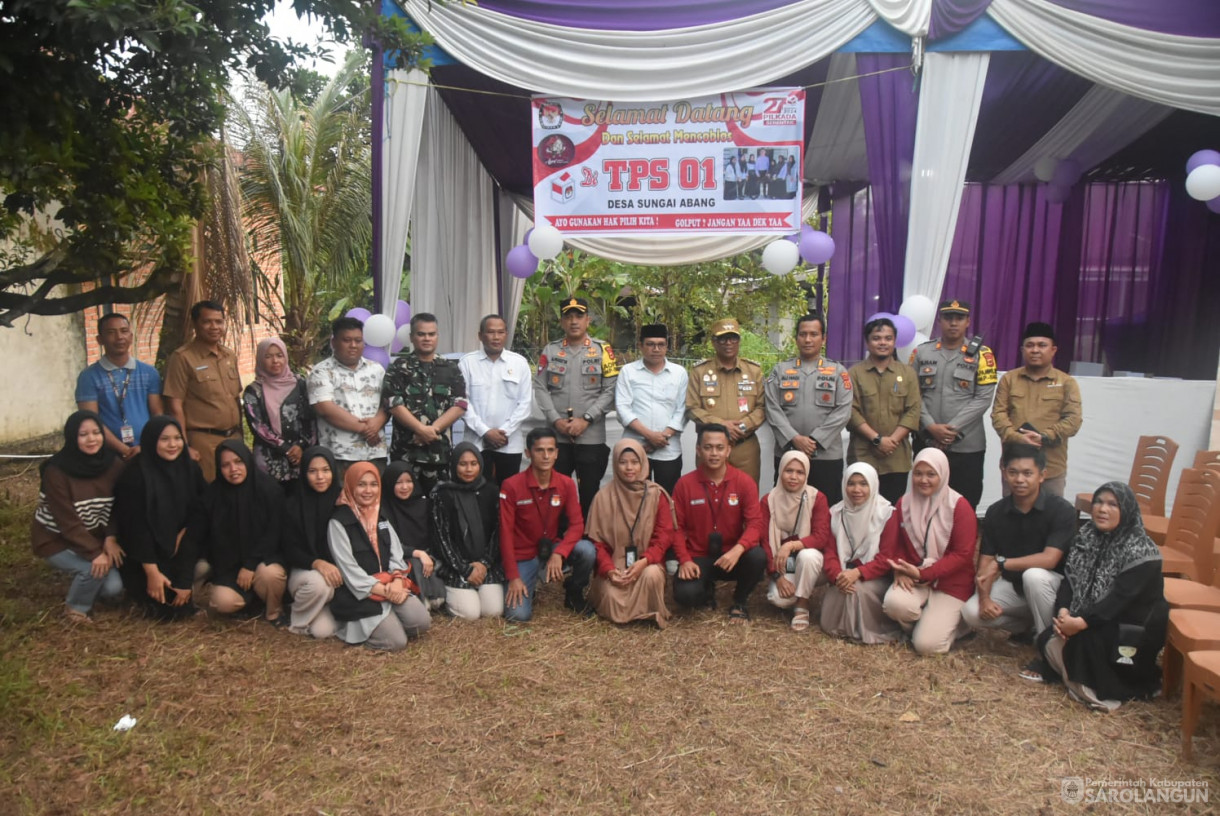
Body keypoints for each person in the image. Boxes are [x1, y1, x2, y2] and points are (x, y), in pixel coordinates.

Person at [1036, 482, 1168, 711]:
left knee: (1081, 644)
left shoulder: (1142, 551)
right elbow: (1070, 579)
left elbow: (1120, 600)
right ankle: (1077, 681)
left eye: (1112, 504)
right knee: (1048, 639)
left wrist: (1080, 623)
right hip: (1094, 617)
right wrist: (1064, 613)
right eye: (1098, 502)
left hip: (1130, 627)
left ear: (1126, 510)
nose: (1102, 509)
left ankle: (1098, 692)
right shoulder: (1087, 536)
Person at [961, 445, 1076, 665]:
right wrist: (984, 598)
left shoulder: (1061, 510)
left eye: (1027, 473)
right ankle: (1028, 627)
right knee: (971, 612)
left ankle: (1048, 648)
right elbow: (985, 564)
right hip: (1016, 588)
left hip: (1054, 589)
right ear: (1004, 472)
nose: (1019, 479)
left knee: (1033, 576)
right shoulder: (996, 512)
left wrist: (1003, 563)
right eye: (1013, 472)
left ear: (1042, 476)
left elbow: (1049, 559)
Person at [880, 448, 978, 655]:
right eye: (918, 473)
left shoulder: (959, 506)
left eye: (931, 474)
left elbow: (962, 555)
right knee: (894, 605)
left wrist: (924, 573)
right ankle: (927, 625)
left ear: (942, 475)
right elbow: (894, 545)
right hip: (914, 577)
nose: (923, 480)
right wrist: (899, 569)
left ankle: (958, 627)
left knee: (928, 647)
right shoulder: (904, 503)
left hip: (951, 584)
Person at [31, 411, 126, 622]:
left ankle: (89, 585)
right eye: (83, 434)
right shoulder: (56, 471)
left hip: (93, 536)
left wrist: (110, 537)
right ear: (73, 437)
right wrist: (94, 553)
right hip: (56, 539)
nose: (91, 439)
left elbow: (118, 506)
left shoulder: (114, 465)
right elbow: (67, 522)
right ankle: (76, 609)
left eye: (96, 433)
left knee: (113, 588)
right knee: (91, 570)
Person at [327, 462, 432, 651]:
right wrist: (388, 592)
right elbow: (349, 571)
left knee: (422, 622)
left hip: (391, 585)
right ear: (350, 485)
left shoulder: (380, 515)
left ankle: (390, 619)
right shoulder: (339, 522)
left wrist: (398, 581)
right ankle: (366, 628)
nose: (368, 490)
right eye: (361, 484)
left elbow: (396, 554)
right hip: (362, 594)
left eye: (373, 484)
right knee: (396, 642)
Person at [498, 427, 597, 621]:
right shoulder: (511, 485)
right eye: (539, 450)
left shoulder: (566, 483)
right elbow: (505, 534)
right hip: (523, 554)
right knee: (517, 616)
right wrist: (513, 577)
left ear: (557, 453)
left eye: (550, 450)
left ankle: (573, 592)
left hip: (552, 547)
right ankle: (529, 585)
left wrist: (560, 553)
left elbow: (577, 525)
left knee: (587, 550)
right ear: (528, 453)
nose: (545, 456)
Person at [113, 416, 206, 620]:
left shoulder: (190, 469)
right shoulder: (135, 475)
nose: (173, 445)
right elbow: (135, 530)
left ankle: (186, 583)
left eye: (177, 438)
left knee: (180, 599)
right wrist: (152, 573)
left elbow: (197, 518)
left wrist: (183, 580)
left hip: (180, 548)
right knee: (165, 611)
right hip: (143, 556)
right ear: (151, 440)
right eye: (164, 439)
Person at [533, 297, 619, 518]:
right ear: (561, 322)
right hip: (556, 437)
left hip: (590, 436)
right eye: (568, 317)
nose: (574, 321)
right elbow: (540, 387)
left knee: (589, 492)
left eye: (579, 316)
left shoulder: (603, 350)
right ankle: (557, 540)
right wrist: (555, 420)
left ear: (588, 320)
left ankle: (588, 542)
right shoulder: (550, 350)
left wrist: (587, 419)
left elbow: (611, 390)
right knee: (555, 493)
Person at [672, 423, 766, 621]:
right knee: (685, 596)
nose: (714, 453)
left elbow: (755, 524)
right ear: (698, 450)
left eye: (719, 448)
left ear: (728, 450)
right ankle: (706, 589)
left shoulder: (744, 482)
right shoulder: (684, 484)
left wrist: (738, 549)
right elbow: (676, 528)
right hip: (699, 556)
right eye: (708, 447)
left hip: (731, 556)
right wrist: (685, 560)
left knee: (757, 556)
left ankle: (740, 600)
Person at [909, 300, 997, 508]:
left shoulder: (983, 355)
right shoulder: (921, 353)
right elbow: (912, 394)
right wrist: (930, 426)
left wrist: (951, 430)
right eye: (948, 318)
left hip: (966, 445)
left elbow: (984, 397)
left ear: (968, 321)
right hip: (927, 440)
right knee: (924, 502)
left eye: (959, 318)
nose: (953, 323)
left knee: (964, 504)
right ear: (939, 321)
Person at [190, 441, 288, 623]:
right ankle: (249, 604)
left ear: (248, 461)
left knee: (271, 574)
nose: (233, 469)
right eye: (226, 465)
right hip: (230, 568)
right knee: (222, 602)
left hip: (262, 561)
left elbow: (274, 533)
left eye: (238, 462)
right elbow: (199, 536)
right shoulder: (212, 496)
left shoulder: (269, 490)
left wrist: (250, 565)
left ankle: (274, 610)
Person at [764, 312, 853, 505]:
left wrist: (814, 440)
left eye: (813, 334)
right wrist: (795, 439)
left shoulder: (838, 372)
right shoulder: (780, 370)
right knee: (785, 508)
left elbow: (843, 411)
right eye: (803, 334)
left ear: (823, 338)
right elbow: (772, 408)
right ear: (796, 338)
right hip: (788, 452)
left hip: (826, 456)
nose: (808, 339)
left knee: (826, 510)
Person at [586, 440, 673, 628]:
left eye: (635, 462)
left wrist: (644, 561)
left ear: (643, 463)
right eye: (623, 462)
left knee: (651, 576)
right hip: (615, 566)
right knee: (610, 595)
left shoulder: (657, 495)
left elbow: (664, 537)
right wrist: (609, 570)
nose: (629, 468)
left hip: (647, 563)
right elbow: (597, 543)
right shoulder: (603, 497)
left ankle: (648, 612)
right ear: (615, 464)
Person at [991, 322, 1082, 497]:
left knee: (1051, 519)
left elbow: (1073, 420)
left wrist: (1045, 436)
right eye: (1030, 345)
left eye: (1042, 345)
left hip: (1051, 467)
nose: (1035, 350)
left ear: (1053, 350)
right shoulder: (1009, 380)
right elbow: (998, 415)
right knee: (1013, 518)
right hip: (1015, 466)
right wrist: (1017, 437)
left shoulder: (1066, 382)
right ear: (1022, 349)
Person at [383, 312, 467, 495]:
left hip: (440, 455)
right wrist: (421, 430)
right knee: (406, 507)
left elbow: (460, 405)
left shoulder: (450, 368)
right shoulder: (399, 367)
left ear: (437, 336)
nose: (427, 338)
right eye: (421, 334)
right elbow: (394, 404)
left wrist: (432, 430)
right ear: (412, 337)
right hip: (406, 455)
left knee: (439, 508)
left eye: (431, 334)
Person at [820, 463, 903, 644]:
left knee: (857, 590)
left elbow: (886, 557)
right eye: (851, 483)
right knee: (844, 589)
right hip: (844, 572)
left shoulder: (887, 513)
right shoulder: (835, 513)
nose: (857, 490)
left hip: (877, 576)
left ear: (873, 484)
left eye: (863, 484)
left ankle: (866, 629)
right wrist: (838, 575)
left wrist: (857, 573)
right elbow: (830, 551)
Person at [163, 301, 242, 481]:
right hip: (204, 443)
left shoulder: (229, 355)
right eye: (207, 322)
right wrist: (184, 446)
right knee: (210, 493)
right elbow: (175, 407)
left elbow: (235, 398)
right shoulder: (183, 358)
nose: (214, 327)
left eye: (219, 321)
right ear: (195, 324)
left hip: (233, 439)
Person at [847, 316, 921, 503]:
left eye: (888, 338)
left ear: (895, 341)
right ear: (867, 341)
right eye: (876, 338)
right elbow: (851, 412)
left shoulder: (907, 373)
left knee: (892, 511)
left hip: (896, 457)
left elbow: (913, 411)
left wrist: (891, 441)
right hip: (863, 454)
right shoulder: (854, 374)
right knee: (861, 507)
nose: (882, 343)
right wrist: (877, 439)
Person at [429, 443, 505, 620]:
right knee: (470, 614)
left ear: (480, 465)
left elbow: (499, 530)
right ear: (454, 465)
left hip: (486, 565)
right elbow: (442, 538)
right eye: (463, 464)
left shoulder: (491, 491)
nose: (469, 469)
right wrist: (465, 569)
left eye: (473, 463)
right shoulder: (442, 494)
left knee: (493, 611)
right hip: (455, 567)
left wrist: (484, 563)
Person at [687, 318, 766, 484]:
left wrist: (742, 426)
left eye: (733, 338)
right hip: (711, 447)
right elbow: (692, 407)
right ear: (713, 342)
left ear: (739, 341)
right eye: (722, 338)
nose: (728, 343)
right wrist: (722, 426)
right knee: (708, 497)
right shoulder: (700, 372)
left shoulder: (754, 371)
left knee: (746, 496)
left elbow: (762, 407)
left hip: (745, 448)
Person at [75, 312, 163, 461]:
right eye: (111, 332)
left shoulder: (149, 373)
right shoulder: (89, 377)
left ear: (131, 335)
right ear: (99, 339)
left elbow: (158, 414)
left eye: (124, 331)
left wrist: (146, 446)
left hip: (147, 450)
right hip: (107, 454)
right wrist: (124, 450)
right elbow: (92, 420)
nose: (119, 337)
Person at [307, 317, 389, 474]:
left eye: (358, 340)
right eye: (347, 340)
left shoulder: (376, 369)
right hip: (340, 456)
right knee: (343, 499)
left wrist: (377, 423)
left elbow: (388, 403)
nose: (353, 345)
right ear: (333, 342)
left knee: (376, 498)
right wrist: (367, 430)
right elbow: (325, 408)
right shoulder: (321, 371)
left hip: (375, 452)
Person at [458, 314, 533, 486]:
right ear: (480, 335)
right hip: (476, 443)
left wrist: (503, 432)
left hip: (509, 443)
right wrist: (485, 432)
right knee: (476, 492)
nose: (496, 337)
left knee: (508, 493)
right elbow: (462, 403)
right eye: (491, 332)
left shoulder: (519, 363)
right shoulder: (467, 363)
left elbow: (525, 404)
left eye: (500, 332)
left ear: (507, 334)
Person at [761, 450, 831, 631]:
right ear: (781, 471)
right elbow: (765, 543)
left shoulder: (817, 497)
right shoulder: (769, 500)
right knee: (779, 599)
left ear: (806, 474)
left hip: (813, 563)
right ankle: (797, 588)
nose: (794, 477)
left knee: (808, 556)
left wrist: (791, 545)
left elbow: (821, 536)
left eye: (800, 472)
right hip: (785, 563)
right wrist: (777, 578)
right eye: (788, 470)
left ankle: (802, 603)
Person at [615, 323, 688, 494]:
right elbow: (622, 408)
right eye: (650, 344)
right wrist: (649, 436)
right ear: (640, 346)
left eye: (661, 344)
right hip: (635, 449)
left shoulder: (679, 373)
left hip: (668, 449)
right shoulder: (628, 371)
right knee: (635, 500)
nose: (656, 349)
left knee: (667, 498)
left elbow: (683, 409)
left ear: (667, 346)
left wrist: (662, 437)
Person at [281, 447, 343, 639]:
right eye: (312, 471)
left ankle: (322, 608)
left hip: (338, 574)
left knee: (322, 632)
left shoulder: (343, 501)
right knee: (319, 585)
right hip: (305, 572)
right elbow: (289, 549)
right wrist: (316, 563)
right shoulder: (292, 505)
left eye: (326, 470)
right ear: (304, 473)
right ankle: (297, 622)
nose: (320, 477)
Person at [243, 337, 315, 487]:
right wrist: (286, 448)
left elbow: (311, 419)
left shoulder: (300, 384)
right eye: (268, 356)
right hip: (269, 458)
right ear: (260, 359)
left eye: (279, 355)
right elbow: (258, 426)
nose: (275, 361)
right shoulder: (254, 390)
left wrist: (301, 446)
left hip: (301, 457)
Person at [381, 461, 446, 610]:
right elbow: (388, 543)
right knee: (415, 563)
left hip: (429, 556)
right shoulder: (384, 509)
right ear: (390, 483)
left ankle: (435, 595)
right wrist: (417, 553)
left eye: (409, 481)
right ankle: (423, 601)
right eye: (399, 482)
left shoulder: (425, 505)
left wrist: (427, 554)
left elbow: (435, 537)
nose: (405, 487)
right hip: (399, 558)